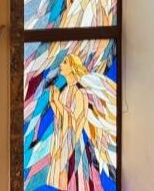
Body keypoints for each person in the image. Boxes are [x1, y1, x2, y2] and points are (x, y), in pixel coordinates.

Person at [47, 54, 116, 190]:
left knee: (75, 182)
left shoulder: (80, 92)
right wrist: (54, 102)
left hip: (76, 144)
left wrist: (58, 104)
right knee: (62, 181)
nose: (61, 65)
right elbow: (61, 118)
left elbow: (76, 120)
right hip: (62, 140)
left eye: (65, 62)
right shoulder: (64, 91)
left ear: (73, 67)